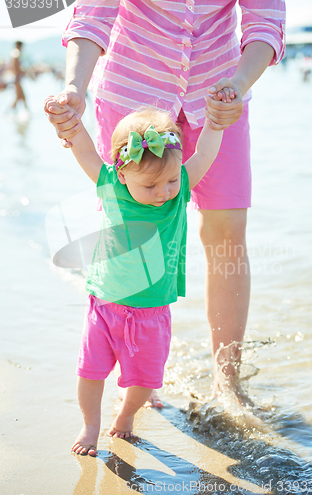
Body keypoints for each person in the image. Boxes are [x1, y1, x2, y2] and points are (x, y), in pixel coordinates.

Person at [44, 0, 286, 408]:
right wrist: (74, 88)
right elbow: (94, 11)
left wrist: (239, 85)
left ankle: (227, 381)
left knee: (227, 231)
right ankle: (140, 370)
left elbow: (266, 19)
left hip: (220, 99)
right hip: (133, 95)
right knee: (131, 233)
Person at [45, 90, 232, 455]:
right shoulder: (111, 185)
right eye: (150, 185)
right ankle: (91, 425)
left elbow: (205, 153)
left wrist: (214, 121)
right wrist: (68, 117)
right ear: (123, 172)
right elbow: (84, 149)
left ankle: (126, 415)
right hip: (104, 305)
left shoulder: (180, 190)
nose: (164, 192)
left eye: (171, 181)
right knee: (91, 372)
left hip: (151, 310)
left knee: (145, 379)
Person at [11, 41, 28, 110]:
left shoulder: (14, 52)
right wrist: (20, 72)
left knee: (19, 96)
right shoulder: (16, 52)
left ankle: (11, 112)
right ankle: (27, 111)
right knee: (21, 96)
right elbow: (15, 65)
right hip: (16, 78)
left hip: (16, 78)